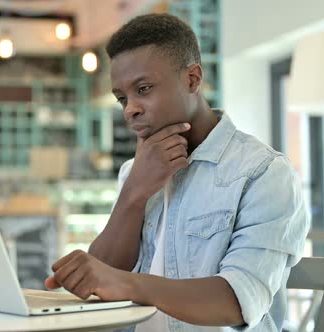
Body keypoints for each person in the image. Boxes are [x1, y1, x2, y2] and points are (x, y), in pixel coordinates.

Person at [44, 13, 310, 331]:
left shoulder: (263, 173)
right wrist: (134, 191)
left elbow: (237, 301)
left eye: (143, 89)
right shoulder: (134, 172)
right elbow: (103, 278)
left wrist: (127, 283)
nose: (130, 108)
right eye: (122, 98)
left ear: (193, 80)